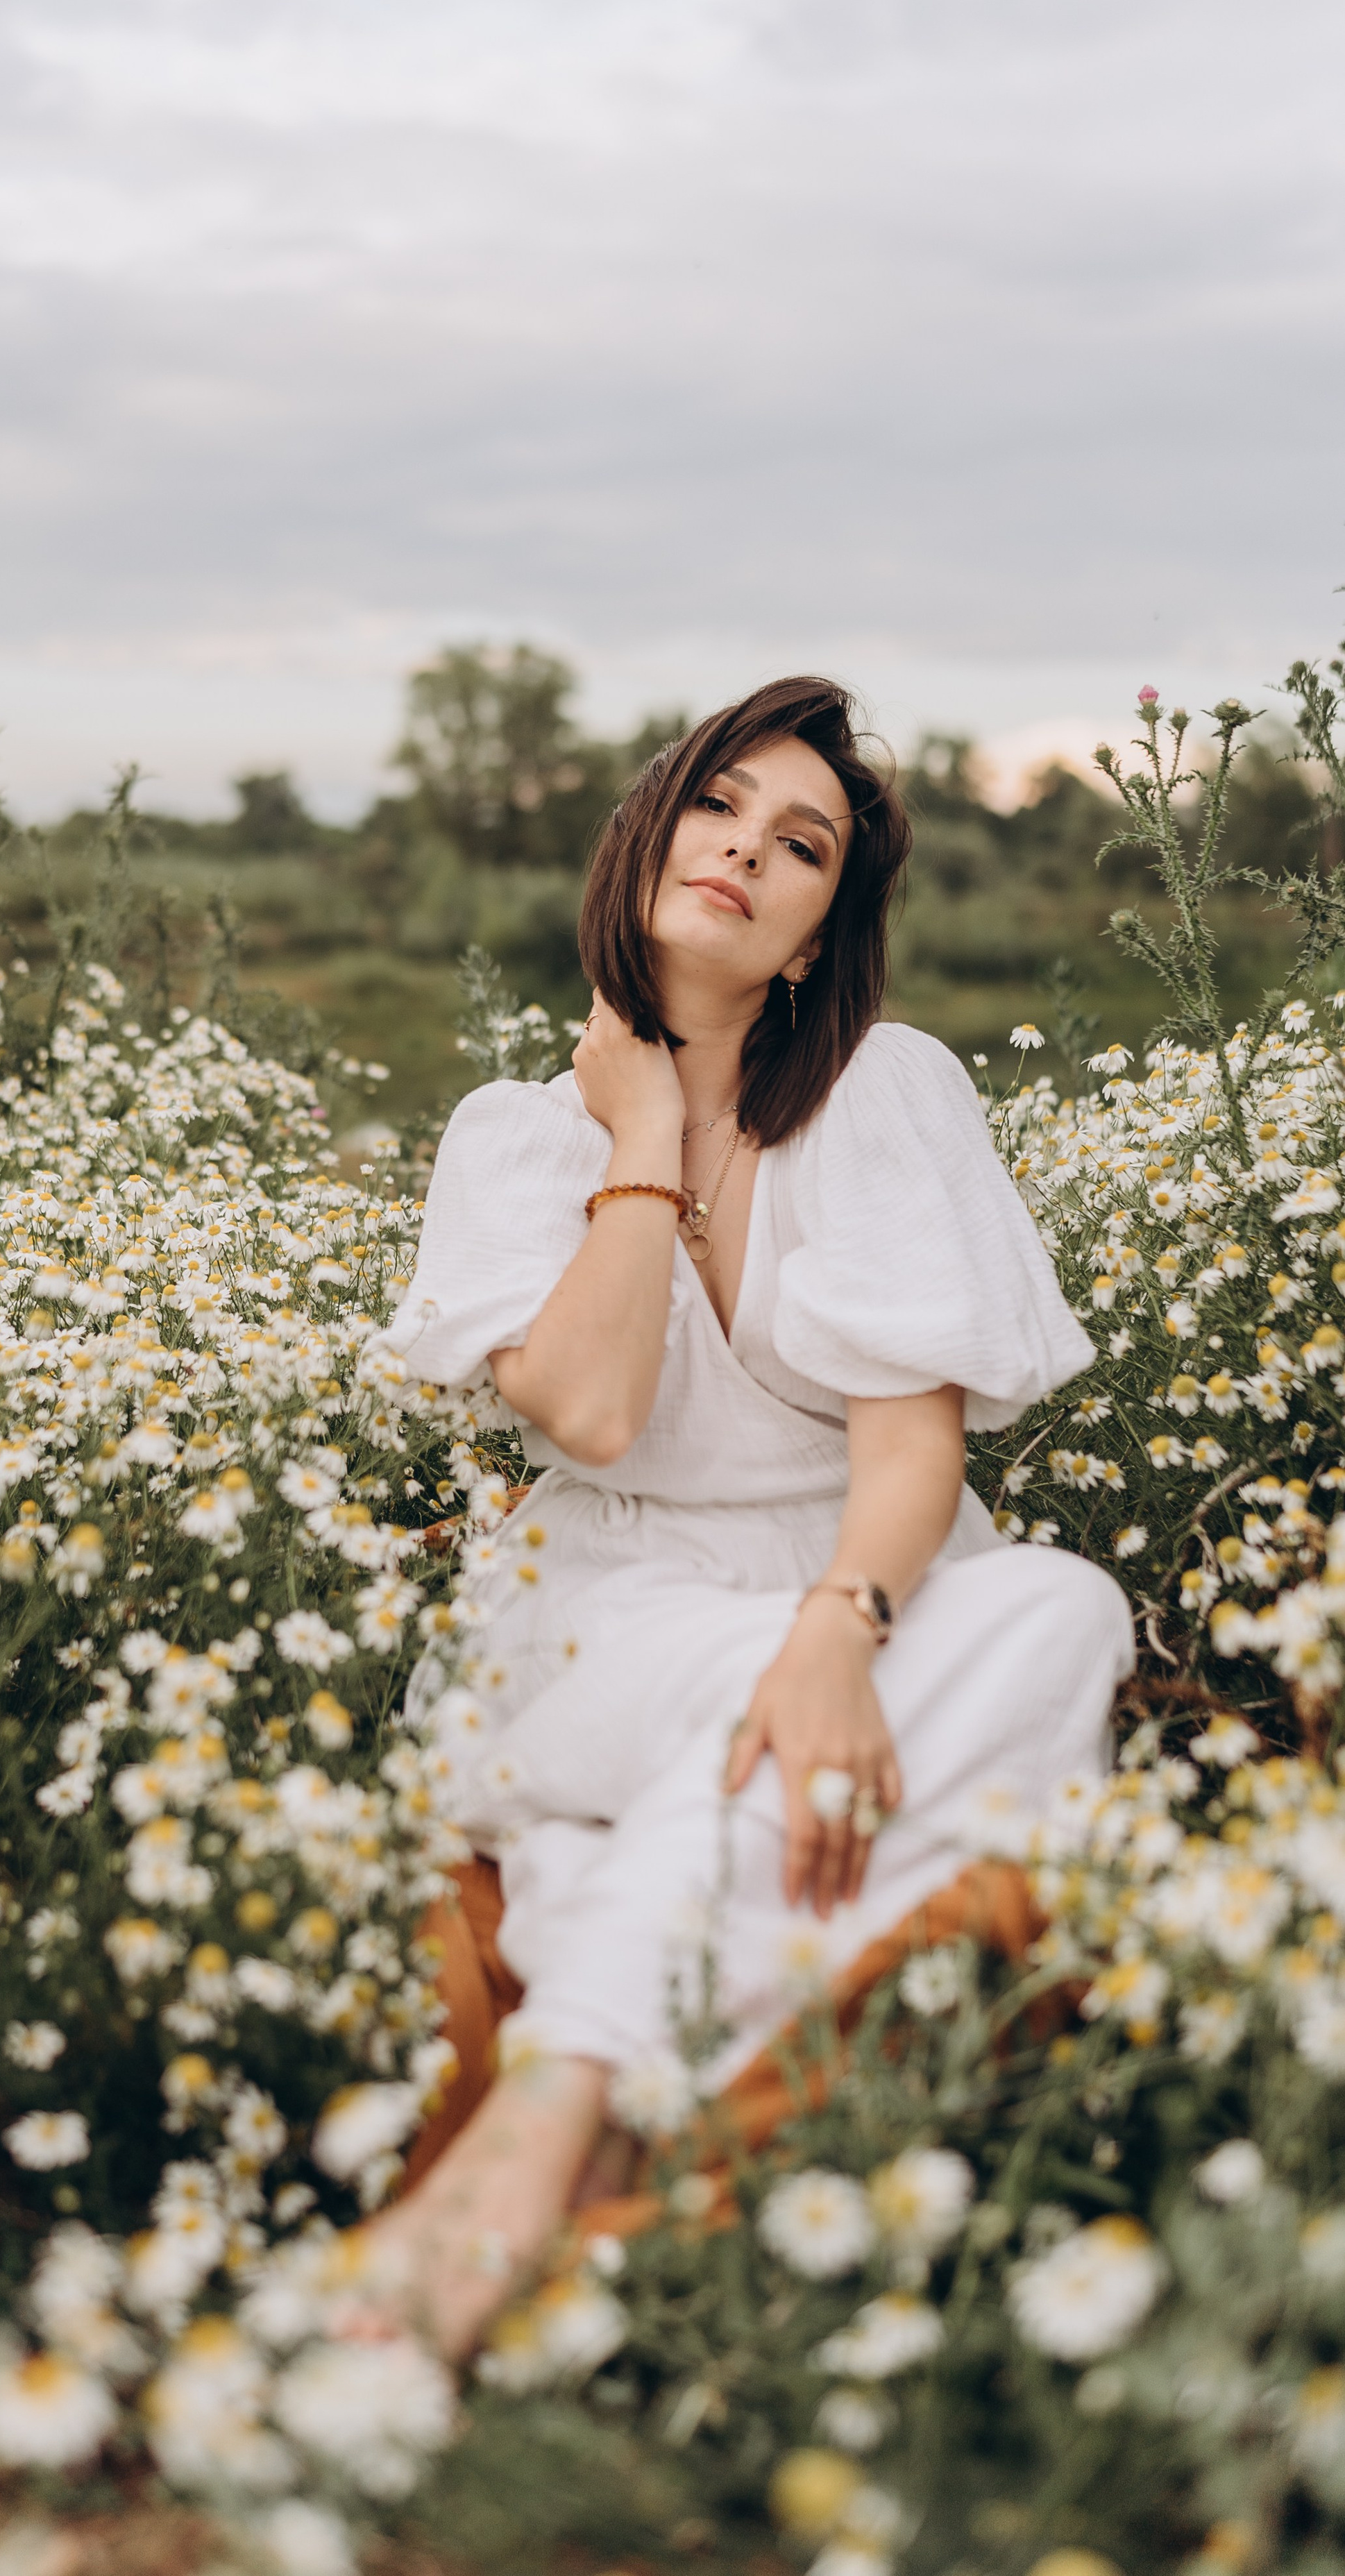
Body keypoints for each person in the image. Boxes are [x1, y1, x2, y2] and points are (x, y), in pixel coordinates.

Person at [360, 675, 1133, 2361]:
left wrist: (838, 1631)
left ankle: (575, 2077)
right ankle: (557, 2127)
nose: (743, 851)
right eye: (715, 804)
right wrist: (642, 1131)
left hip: (866, 1582)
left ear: (808, 938)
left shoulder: (882, 1089)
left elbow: (910, 1450)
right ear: (644, 834)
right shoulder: (512, 1140)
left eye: (800, 846)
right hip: (606, 1612)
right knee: (791, 1733)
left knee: (1067, 1607)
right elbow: (592, 1415)